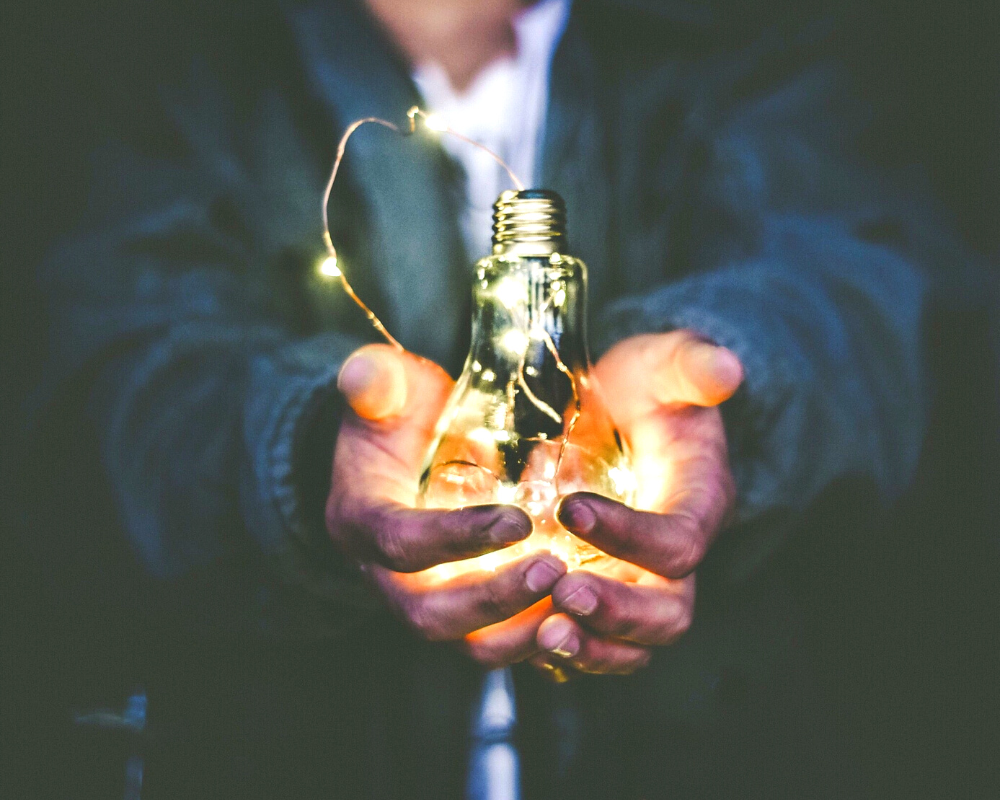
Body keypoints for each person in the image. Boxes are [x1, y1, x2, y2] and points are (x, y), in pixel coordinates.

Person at [26, 0, 952, 796]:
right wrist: (305, 455)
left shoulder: (744, 41)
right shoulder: (181, 60)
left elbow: (875, 286)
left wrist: (733, 392)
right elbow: (89, 367)